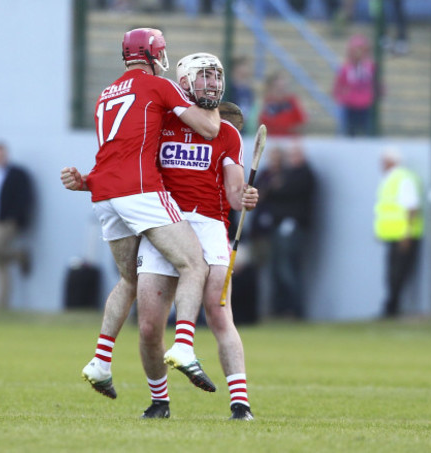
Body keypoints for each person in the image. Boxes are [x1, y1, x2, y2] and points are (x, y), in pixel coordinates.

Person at [61, 29, 221, 400]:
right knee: (194, 264)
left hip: (105, 193)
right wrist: (211, 104)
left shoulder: (106, 94)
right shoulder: (157, 85)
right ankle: (183, 345)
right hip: (140, 191)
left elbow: (116, 152)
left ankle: (100, 362)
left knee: (128, 279)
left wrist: (85, 181)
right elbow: (208, 129)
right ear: (153, 54)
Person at [135, 56, 257, 421]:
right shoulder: (161, 123)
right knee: (149, 325)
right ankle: (160, 402)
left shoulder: (228, 132)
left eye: (216, 76)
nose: (212, 83)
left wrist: (246, 197)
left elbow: (235, 193)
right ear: (184, 81)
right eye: (204, 76)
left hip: (209, 224)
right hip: (164, 222)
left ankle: (240, 404)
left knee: (220, 315)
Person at [251, 143, 315, 319]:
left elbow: (281, 192)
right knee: (277, 270)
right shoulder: (279, 175)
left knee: (287, 269)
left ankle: (294, 309)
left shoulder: (303, 174)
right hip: (273, 228)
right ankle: (280, 308)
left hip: (291, 228)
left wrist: (273, 189)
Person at [0, 141, 34, 309]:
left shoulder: (17, 174)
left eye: (1, 153)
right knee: (1, 264)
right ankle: (2, 304)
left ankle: (20, 255)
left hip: (7, 222)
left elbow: (24, 197)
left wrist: (17, 217)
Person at [373, 147, 423, 318]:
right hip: (392, 235)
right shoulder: (389, 178)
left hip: (403, 236)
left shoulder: (402, 179)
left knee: (397, 274)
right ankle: (390, 307)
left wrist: (407, 233)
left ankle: (392, 309)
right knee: (391, 274)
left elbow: (412, 207)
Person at [333, 33, 378, 137]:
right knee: (349, 132)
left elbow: (376, 84)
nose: (358, 53)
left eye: (361, 50)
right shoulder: (346, 68)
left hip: (366, 106)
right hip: (350, 106)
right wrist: (343, 98)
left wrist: (372, 96)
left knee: (367, 133)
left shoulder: (370, 67)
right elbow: (338, 86)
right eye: (355, 50)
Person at [257, 71, 307, 137]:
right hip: (272, 139)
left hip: (289, 138)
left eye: (283, 87)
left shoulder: (291, 101)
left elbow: (301, 121)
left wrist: (289, 128)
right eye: (277, 88)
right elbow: (262, 123)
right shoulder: (267, 103)